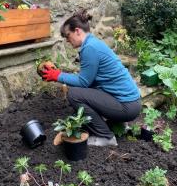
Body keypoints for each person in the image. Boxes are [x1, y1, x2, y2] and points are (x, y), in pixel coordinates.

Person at [43, 9, 141, 146]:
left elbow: (83, 82)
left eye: (67, 35)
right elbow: (90, 82)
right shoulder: (93, 43)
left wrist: (57, 75)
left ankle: (106, 137)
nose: (67, 40)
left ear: (77, 31)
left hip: (127, 106)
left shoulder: (90, 48)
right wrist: (60, 75)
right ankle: (117, 124)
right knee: (84, 92)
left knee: (74, 94)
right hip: (131, 102)